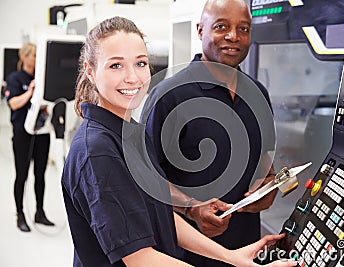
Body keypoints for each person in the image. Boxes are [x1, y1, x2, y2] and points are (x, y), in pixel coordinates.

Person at [61, 16, 297, 267]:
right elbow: (141, 259)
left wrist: (232, 257)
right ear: (90, 70)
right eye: (116, 66)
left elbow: (160, 216)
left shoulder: (130, 134)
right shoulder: (98, 152)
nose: (132, 77)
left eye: (140, 63)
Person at [141, 0, 278, 266]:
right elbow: (144, 178)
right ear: (200, 30)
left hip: (247, 251)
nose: (233, 37)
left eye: (244, 28)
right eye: (221, 26)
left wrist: (270, 187)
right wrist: (191, 207)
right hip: (186, 254)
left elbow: (266, 162)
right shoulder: (170, 96)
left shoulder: (258, 94)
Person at [5, 42, 55, 232]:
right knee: (22, 174)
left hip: (41, 132)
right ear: (24, 57)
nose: (35, 59)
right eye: (33, 55)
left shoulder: (41, 77)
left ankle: (39, 212)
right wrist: (30, 92)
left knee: (40, 174)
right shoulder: (15, 78)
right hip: (22, 133)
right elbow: (14, 104)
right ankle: (20, 214)